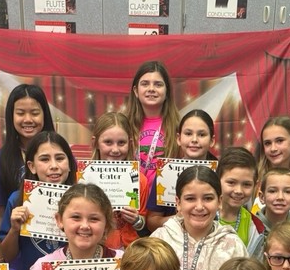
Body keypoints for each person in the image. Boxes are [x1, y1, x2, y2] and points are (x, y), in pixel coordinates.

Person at [149, 166, 246, 270]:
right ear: (178, 203)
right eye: (190, 199)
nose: (199, 207)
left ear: (220, 202)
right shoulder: (160, 240)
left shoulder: (233, 245)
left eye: (208, 198)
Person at [0, 131, 78, 270]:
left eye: (60, 158)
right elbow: (6, 257)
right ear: (32, 166)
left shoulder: (82, 200)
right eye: (44, 159)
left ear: (70, 164)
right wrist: (15, 230)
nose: (54, 165)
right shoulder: (17, 200)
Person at [0, 84, 56, 222]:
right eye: (20, 113)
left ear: (44, 115)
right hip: (16, 240)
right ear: (11, 116)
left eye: (35, 113)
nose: (28, 119)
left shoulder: (63, 156)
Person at [126, 61, 180, 230]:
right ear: (136, 91)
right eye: (145, 84)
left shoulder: (179, 127)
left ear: (167, 92)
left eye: (158, 84)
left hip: (162, 210)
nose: (151, 89)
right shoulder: (123, 125)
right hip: (130, 206)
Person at [146, 109, 218, 227]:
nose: (194, 140)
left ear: (212, 140)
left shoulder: (220, 173)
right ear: (179, 139)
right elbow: (152, 222)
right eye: (188, 133)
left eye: (201, 134)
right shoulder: (165, 171)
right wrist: (179, 217)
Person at [88, 111, 148, 247]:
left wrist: (136, 220)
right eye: (108, 142)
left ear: (130, 143)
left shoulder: (139, 180)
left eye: (121, 143)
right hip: (94, 249)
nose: (115, 150)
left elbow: (143, 222)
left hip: (129, 251)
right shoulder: (84, 179)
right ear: (95, 142)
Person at [248, 167, 290, 261]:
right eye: (272, 191)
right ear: (262, 197)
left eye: (287, 191)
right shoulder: (251, 228)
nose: (280, 197)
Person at [216, 147, 264, 251]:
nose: (238, 190)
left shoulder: (255, 226)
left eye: (246, 184)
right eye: (231, 182)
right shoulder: (202, 216)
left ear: (255, 185)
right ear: (217, 180)